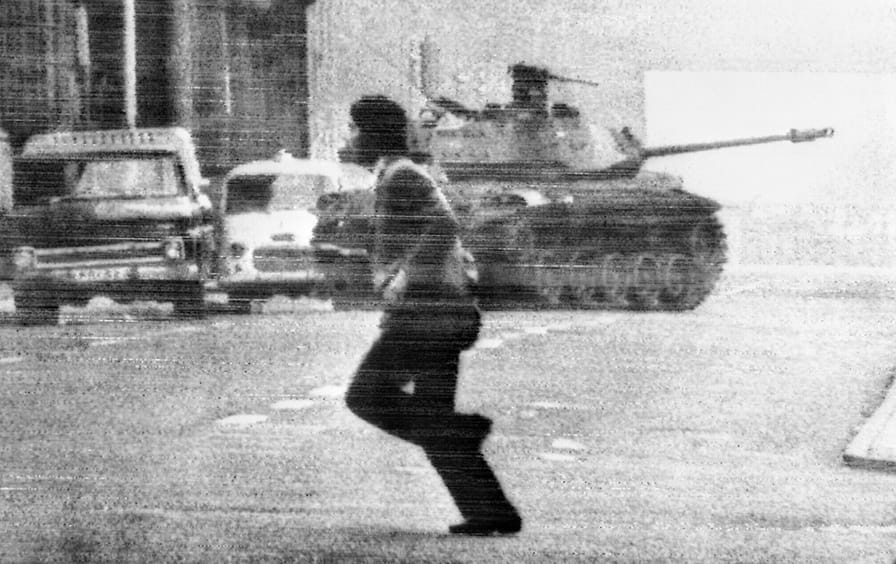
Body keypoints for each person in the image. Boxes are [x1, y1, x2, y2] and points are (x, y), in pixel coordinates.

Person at [343, 96, 522, 536]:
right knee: (430, 414)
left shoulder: (402, 175)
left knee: (366, 396)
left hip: (426, 314)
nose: (351, 137)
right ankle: (490, 511)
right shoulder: (396, 173)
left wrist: (405, 275)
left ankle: (462, 431)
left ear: (373, 134)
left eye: (355, 129)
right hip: (439, 312)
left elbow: (443, 224)